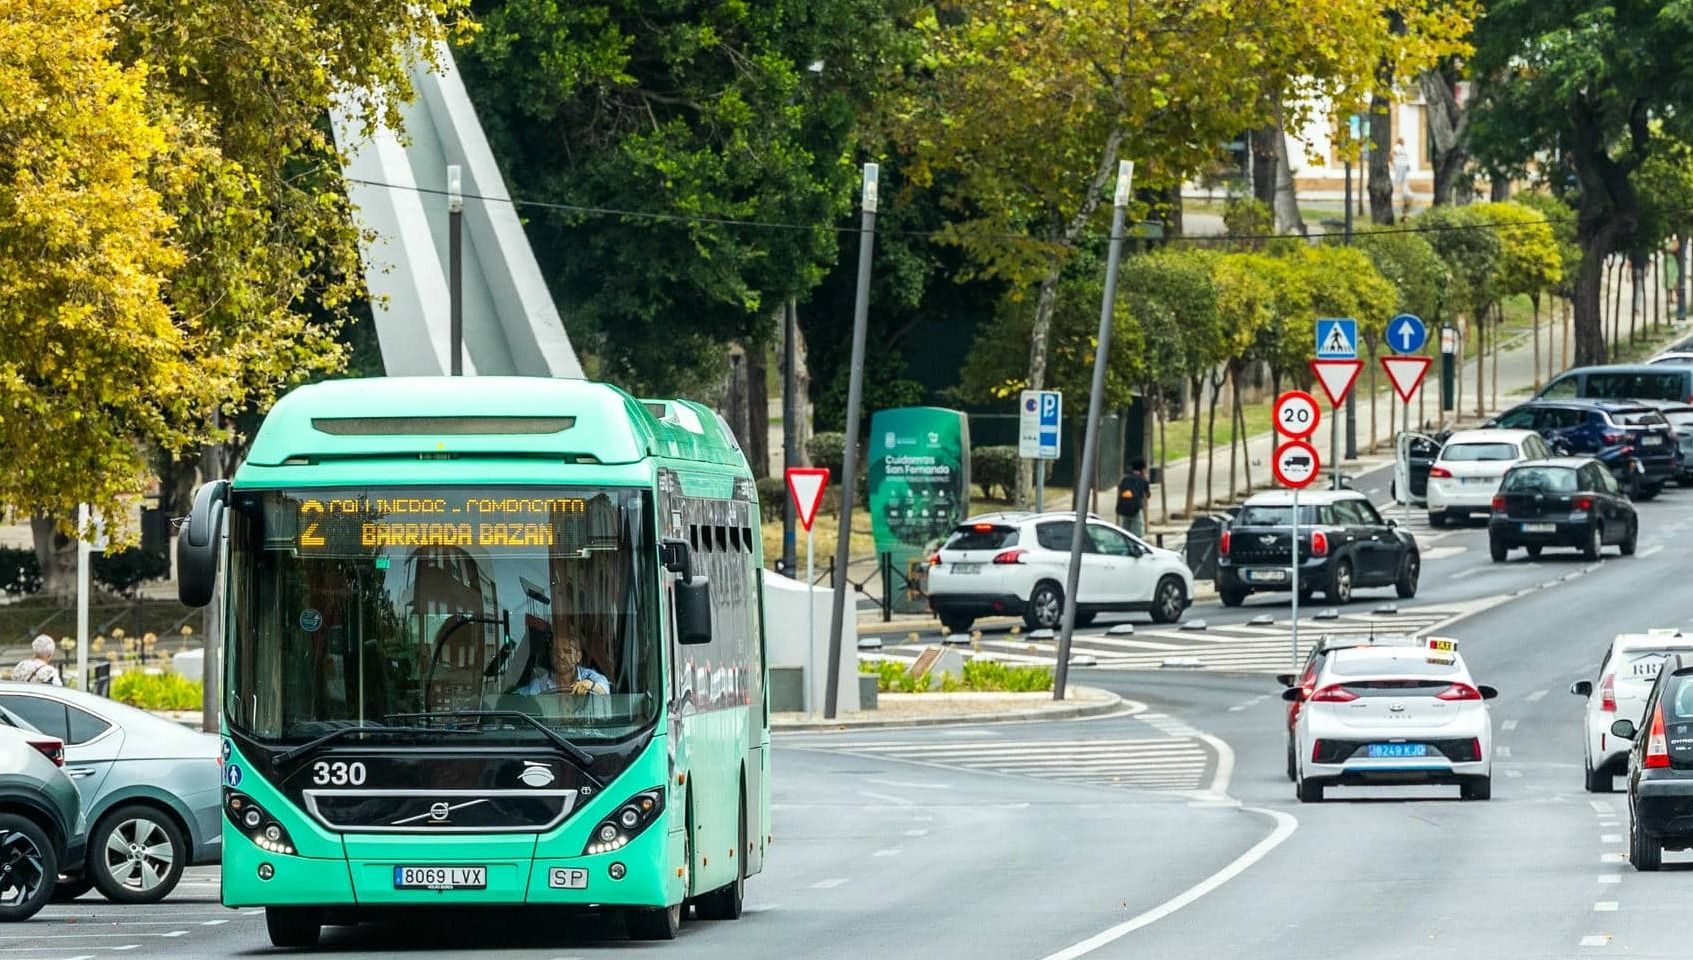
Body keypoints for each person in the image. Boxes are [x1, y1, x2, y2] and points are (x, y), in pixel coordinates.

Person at [1115, 458, 1152, 538]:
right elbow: (1147, 495)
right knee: (1137, 533)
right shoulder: (1143, 480)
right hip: (1136, 509)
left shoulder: (1125, 479)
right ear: (1142, 469)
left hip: (1124, 509)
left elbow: (1119, 492)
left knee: (1125, 532)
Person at [1391, 138, 1413, 221]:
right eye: (1403, 141)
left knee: (1403, 180)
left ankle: (1405, 193)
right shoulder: (1397, 147)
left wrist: (1407, 165)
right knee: (1398, 179)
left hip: (1403, 166)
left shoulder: (1403, 149)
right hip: (1399, 165)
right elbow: (1393, 153)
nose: (1404, 142)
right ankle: (1398, 191)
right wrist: (1393, 162)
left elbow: (1406, 157)